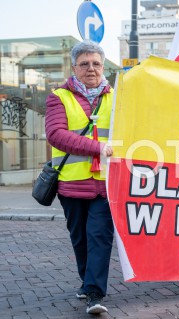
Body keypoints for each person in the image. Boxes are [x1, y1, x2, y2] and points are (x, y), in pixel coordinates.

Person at [45, 40, 114, 314]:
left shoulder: (116, 97)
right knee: (80, 239)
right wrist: (96, 147)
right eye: (84, 64)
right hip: (72, 185)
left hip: (106, 185)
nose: (91, 68)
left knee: (99, 236)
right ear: (74, 67)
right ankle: (87, 282)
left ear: (103, 66)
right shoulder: (58, 97)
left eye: (96, 63)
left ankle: (95, 293)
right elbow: (56, 134)